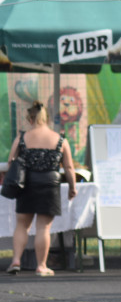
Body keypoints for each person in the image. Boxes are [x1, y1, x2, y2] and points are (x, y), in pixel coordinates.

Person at [6, 101, 75, 276]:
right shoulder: (60, 139)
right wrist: (72, 187)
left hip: (26, 184)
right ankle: (41, 266)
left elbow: (10, 161)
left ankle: (16, 260)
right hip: (49, 185)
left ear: (30, 118)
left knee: (22, 224)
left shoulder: (22, 137)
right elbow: (68, 167)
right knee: (43, 227)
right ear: (47, 118)